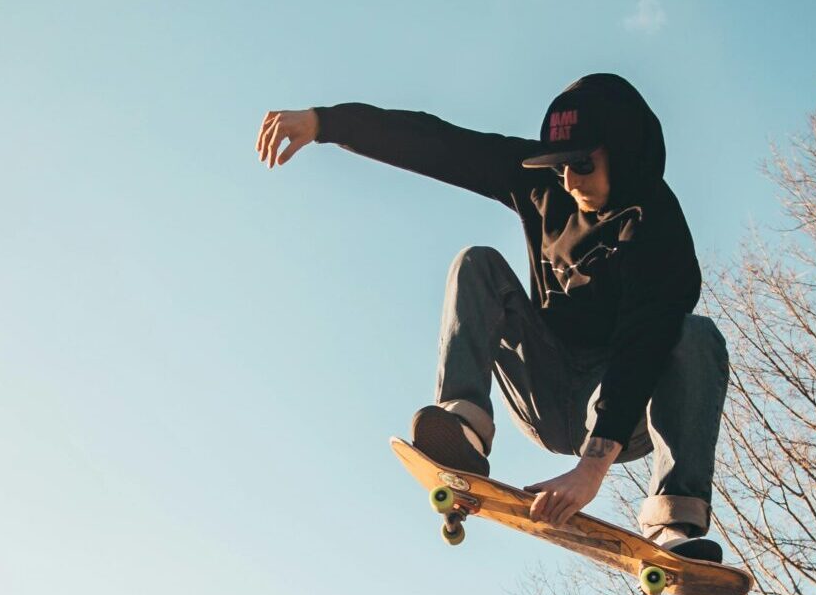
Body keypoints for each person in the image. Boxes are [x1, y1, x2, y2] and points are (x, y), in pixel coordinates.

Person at [256, 73, 728, 562]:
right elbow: (440, 144)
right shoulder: (542, 184)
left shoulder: (658, 230)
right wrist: (326, 123)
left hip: (619, 405)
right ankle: (466, 427)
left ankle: (674, 522)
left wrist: (592, 469)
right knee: (477, 263)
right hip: (543, 387)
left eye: (582, 165)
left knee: (696, 336)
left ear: (625, 154)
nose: (568, 181)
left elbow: (642, 348)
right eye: (560, 166)